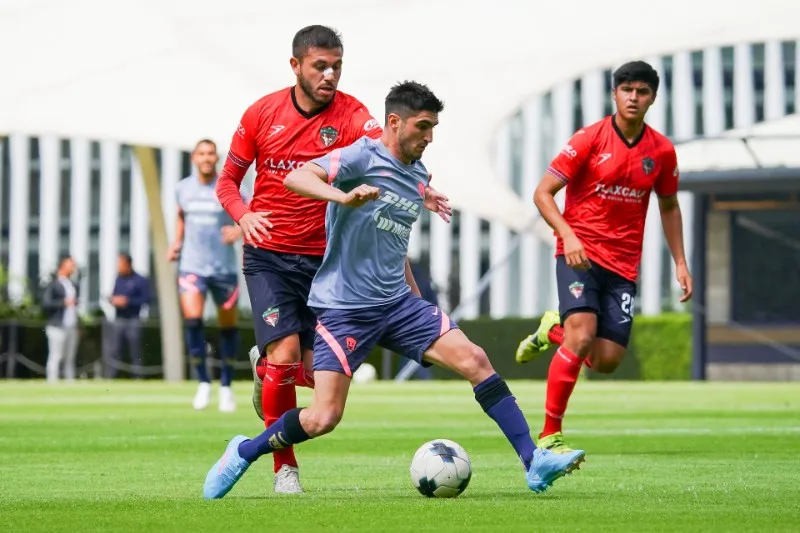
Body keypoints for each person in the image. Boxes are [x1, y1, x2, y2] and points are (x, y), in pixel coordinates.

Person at [203, 81, 585, 500]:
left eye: (434, 128)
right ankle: (243, 451)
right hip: (345, 309)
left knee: (475, 358)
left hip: (399, 305)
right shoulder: (361, 155)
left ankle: (534, 461)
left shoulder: (419, 174)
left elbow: (393, 243)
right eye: (423, 127)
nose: (429, 137)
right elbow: (298, 176)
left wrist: (417, 295)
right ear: (394, 122)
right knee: (323, 417)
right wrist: (342, 197)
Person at [214, 24, 386, 493]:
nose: (330, 75)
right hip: (268, 255)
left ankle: (265, 370)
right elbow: (227, 181)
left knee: (314, 375)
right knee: (287, 357)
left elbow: (385, 155)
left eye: (337, 66)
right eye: (320, 66)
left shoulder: (354, 115)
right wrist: (244, 215)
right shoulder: (261, 113)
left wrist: (423, 187)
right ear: (296, 66)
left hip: (326, 263)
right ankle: (283, 469)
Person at [514, 61, 693, 452]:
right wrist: (567, 235)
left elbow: (669, 207)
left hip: (624, 265)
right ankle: (549, 435)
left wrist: (680, 261)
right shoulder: (589, 139)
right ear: (615, 94)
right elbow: (543, 193)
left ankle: (551, 329)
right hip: (579, 255)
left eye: (642, 91)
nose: (633, 97)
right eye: (626, 89)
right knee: (581, 339)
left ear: (653, 98)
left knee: (608, 359)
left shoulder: (661, 151)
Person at [170, 139, 245, 413]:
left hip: (223, 268)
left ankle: (226, 386)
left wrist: (239, 231)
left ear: (217, 157)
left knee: (228, 327)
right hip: (192, 266)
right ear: (194, 158)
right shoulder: (183, 188)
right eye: (201, 153)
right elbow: (181, 216)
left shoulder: (229, 186)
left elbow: (248, 215)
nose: (206, 157)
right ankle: (203, 381)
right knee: (192, 320)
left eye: (211, 153)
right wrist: (176, 242)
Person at [107, 253, 151, 379]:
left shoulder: (140, 280)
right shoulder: (119, 279)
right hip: (119, 319)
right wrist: (114, 300)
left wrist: (128, 301)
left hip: (133, 319)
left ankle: (137, 377)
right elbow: (114, 295)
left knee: (135, 350)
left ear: (128, 264)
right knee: (115, 350)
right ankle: (112, 377)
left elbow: (146, 299)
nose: (119, 267)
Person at [41, 256, 80, 383]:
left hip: (71, 324)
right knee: (56, 355)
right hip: (57, 324)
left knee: (70, 357)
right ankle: (52, 381)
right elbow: (46, 303)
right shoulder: (53, 284)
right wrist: (63, 303)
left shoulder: (73, 284)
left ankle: (70, 380)